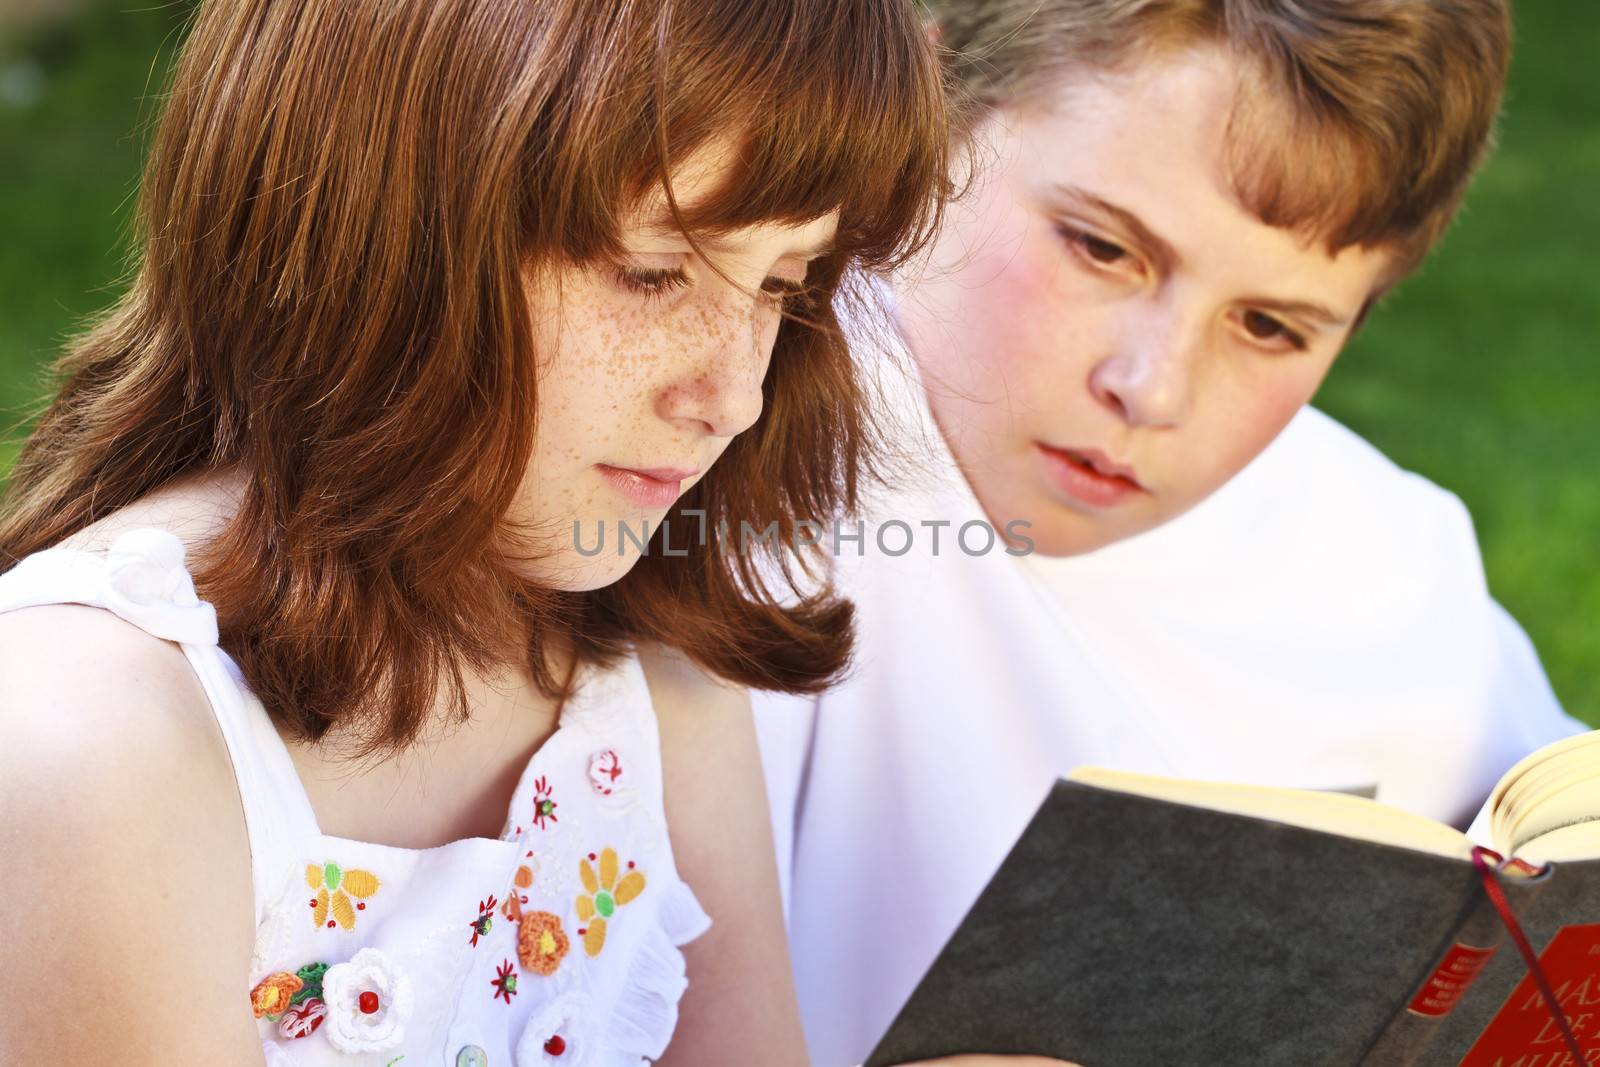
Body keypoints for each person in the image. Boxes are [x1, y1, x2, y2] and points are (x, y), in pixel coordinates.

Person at [0, 0, 979, 1063]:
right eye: (653, 273)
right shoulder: (91, 742)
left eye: (785, 285)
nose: (733, 392)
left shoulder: (644, 672)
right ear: (378, 223)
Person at [754, 1, 1589, 1063]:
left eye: (1270, 326)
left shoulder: (1378, 542)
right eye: (1101, 249)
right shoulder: (722, 464)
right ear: (921, 118)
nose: (1151, 389)